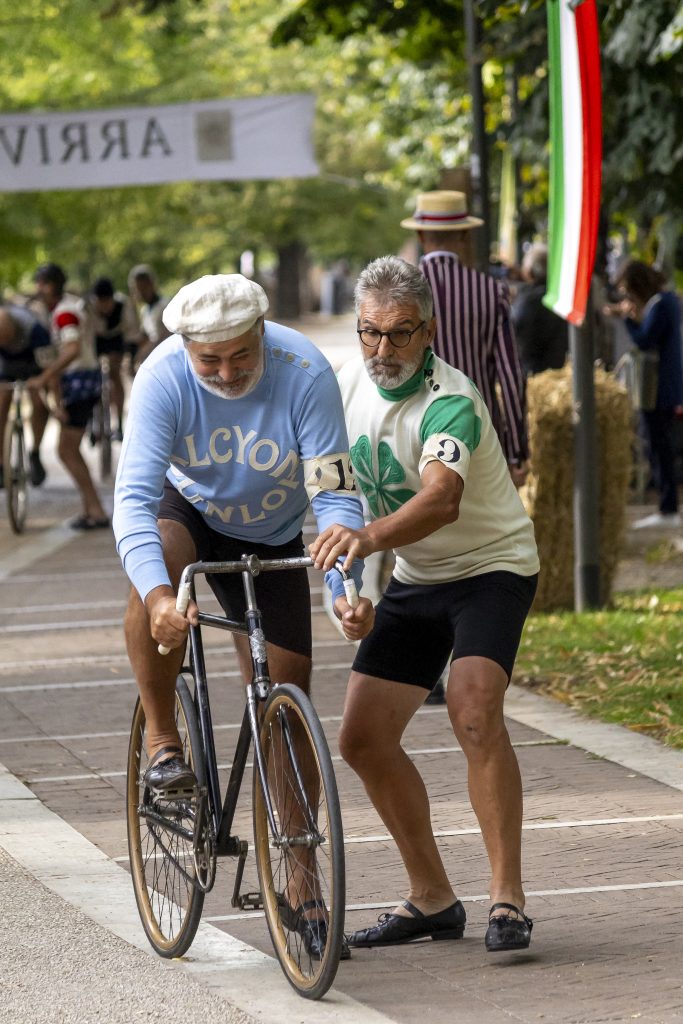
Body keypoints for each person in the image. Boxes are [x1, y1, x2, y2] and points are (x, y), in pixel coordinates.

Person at [310, 256, 540, 953]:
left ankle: (507, 900)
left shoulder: (451, 399)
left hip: (491, 566)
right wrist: (345, 595)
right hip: (417, 574)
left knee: (473, 709)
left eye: (401, 333)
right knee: (361, 739)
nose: (383, 349)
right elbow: (336, 507)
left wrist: (365, 540)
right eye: (370, 332)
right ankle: (433, 897)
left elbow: (441, 500)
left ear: (429, 331)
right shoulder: (339, 390)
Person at [113, 273, 374, 789]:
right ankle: (163, 743)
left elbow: (334, 494)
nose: (227, 373)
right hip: (187, 509)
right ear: (185, 347)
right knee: (159, 562)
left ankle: (299, 845)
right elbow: (132, 502)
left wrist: (345, 587)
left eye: (241, 355)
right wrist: (159, 598)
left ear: (263, 331)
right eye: (209, 360)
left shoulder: (305, 373)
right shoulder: (161, 378)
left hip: (270, 531)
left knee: (289, 699)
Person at [401, 190, 529, 488]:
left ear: (420, 235)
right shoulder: (492, 291)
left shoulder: (403, 292)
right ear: (464, 236)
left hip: (416, 433)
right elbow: (511, 376)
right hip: (481, 433)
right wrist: (516, 451)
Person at [29, 263, 109, 530]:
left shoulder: (64, 312)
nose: (38, 289)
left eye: (42, 283)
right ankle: (91, 508)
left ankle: (96, 509)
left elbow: (72, 349)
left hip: (80, 383)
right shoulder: (66, 307)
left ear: (51, 285)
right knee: (69, 449)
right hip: (81, 383)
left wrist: (45, 376)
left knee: (66, 450)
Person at [605, 259, 683, 529]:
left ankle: (668, 507)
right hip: (666, 385)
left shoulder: (660, 305)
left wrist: (627, 319)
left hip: (658, 387)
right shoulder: (667, 301)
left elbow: (644, 339)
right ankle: (667, 505)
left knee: (658, 447)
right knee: (659, 446)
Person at [0, 302, 51, 489]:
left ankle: (35, 452)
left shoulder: (35, 331)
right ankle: (1, 462)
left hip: (33, 363)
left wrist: (46, 387)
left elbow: (49, 367)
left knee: (39, 403)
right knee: (1, 402)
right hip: (5, 366)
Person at [90, 277, 142, 439]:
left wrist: (130, 359)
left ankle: (118, 424)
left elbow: (133, 335)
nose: (105, 306)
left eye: (108, 302)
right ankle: (93, 423)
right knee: (92, 378)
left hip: (117, 340)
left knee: (115, 375)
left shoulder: (124, 305)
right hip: (94, 341)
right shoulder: (86, 308)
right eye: (101, 302)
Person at [511, 243, 568, 376]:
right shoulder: (559, 296)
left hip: (531, 371)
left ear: (530, 270)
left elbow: (515, 329)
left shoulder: (528, 299)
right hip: (556, 371)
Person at [128, 264, 171, 366]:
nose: (139, 293)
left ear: (151, 285)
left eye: (141, 288)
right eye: (136, 289)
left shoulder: (165, 306)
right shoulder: (144, 310)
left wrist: (142, 354)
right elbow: (145, 335)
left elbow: (161, 338)